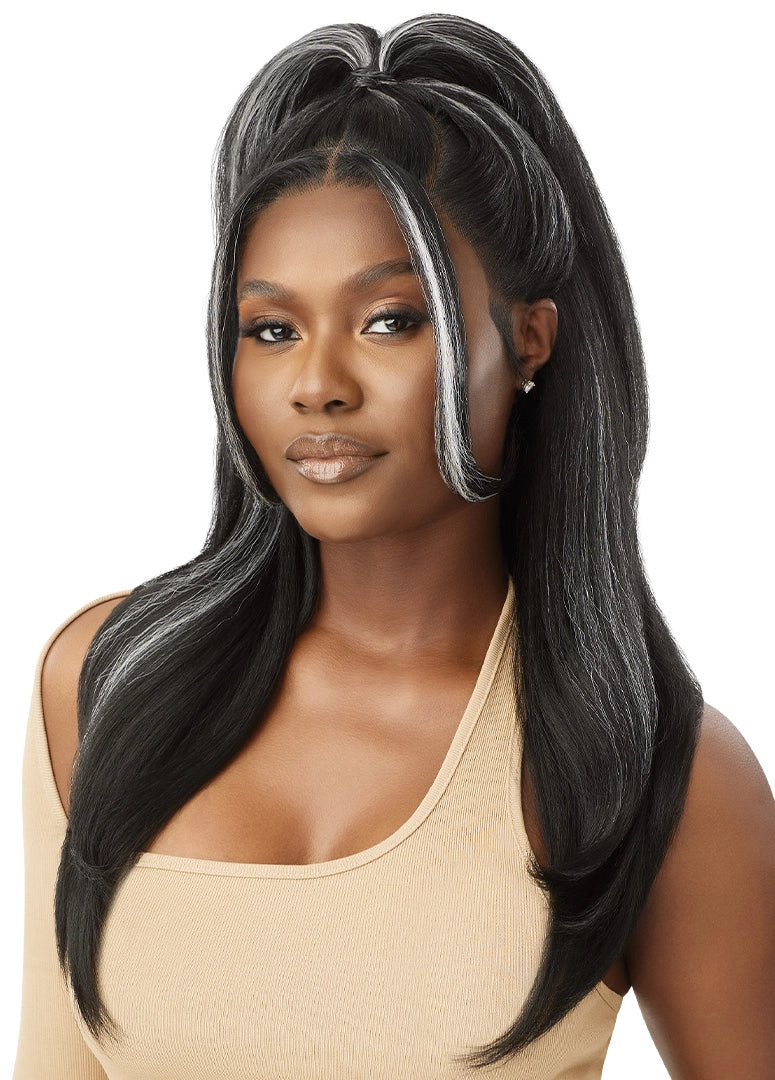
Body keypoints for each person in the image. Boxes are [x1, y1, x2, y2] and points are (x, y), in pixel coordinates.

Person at [13, 13, 775, 1079]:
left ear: (529, 340)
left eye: (389, 320)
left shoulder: (656, 775)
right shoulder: (106, 680)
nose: (316, 384)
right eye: (271, 329)